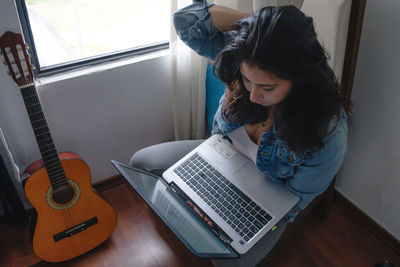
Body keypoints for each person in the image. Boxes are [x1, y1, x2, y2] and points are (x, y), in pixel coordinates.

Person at [130, 1, 351, 266]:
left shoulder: (328, 129)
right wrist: (258, 27)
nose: (254, 96)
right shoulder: (244, 61)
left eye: (268, 88)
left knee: (229, 262)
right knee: (142, 164)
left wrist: (234, 210)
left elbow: (295, 199)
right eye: (247, 81)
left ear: (301, 80)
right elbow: (185, 22)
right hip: (218, 158)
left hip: (267, 194)